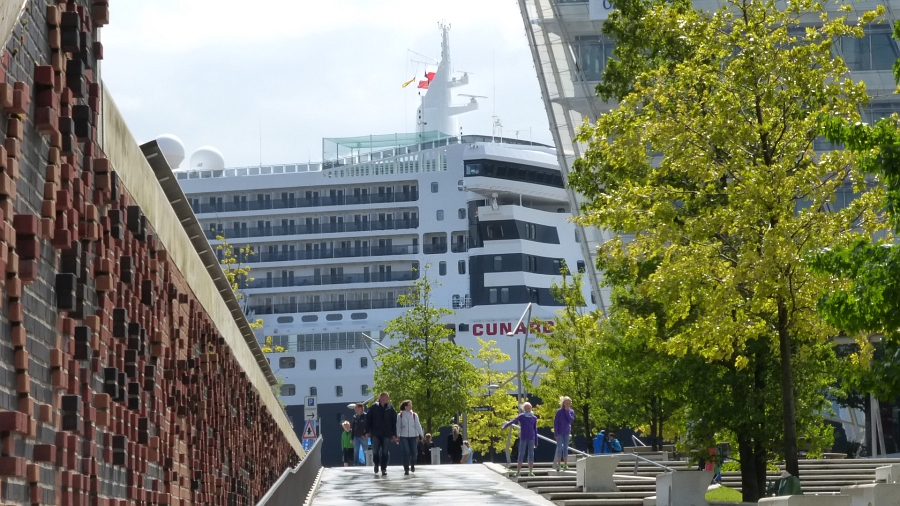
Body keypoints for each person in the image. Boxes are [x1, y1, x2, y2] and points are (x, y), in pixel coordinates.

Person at [502, 402, 539, 477]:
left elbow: (535, 430)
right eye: (526, 408)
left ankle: (531, 471)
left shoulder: (534, 418)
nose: (527, 409)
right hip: (523, 437)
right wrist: (505, 426)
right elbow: (513, 421)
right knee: (521, 453)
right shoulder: (522, 416)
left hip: (531, 437)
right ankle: (518, 471)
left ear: (531, 408)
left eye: (529, 408)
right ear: (524, 409)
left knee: (531, 454)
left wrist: (536, 441)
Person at [365, 392, 397, 476]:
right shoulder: (374, 407)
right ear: (382, 398)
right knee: (375, 451)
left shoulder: (390, 408)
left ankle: (383, 468)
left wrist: (394, 434)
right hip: (376, 433)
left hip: (386, 433)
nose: (388, 399)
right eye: (387, 397)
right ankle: (376, 464)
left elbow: (394, 422)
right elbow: (368, 419)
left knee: (385, 452)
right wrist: (367, 431)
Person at [396, 400, 424, 475]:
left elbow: (418, 425)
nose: (411, 406)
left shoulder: (414, 415)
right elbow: (398, 426)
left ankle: (412, 464)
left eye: (411, 405)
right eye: (409, 405)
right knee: (406, 451)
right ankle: (406, 468)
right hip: (403, 436)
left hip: (413, 436)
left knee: (414, 453)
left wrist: (421, 434)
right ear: (405, 406)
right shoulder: (400, 415)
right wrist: (397, 436)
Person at [554, 396, 575, 471]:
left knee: (566, 448)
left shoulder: (571, 411)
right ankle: (559, 464)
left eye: (569, 403)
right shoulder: (559, 411)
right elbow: (555, 422)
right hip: (559, 432)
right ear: (563, 403)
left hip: (567, 432)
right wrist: (555, 433)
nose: (568, 404)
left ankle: (565, 464)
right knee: (560, 448)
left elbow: (571, 420)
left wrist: (567, 411)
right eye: (566, 403)